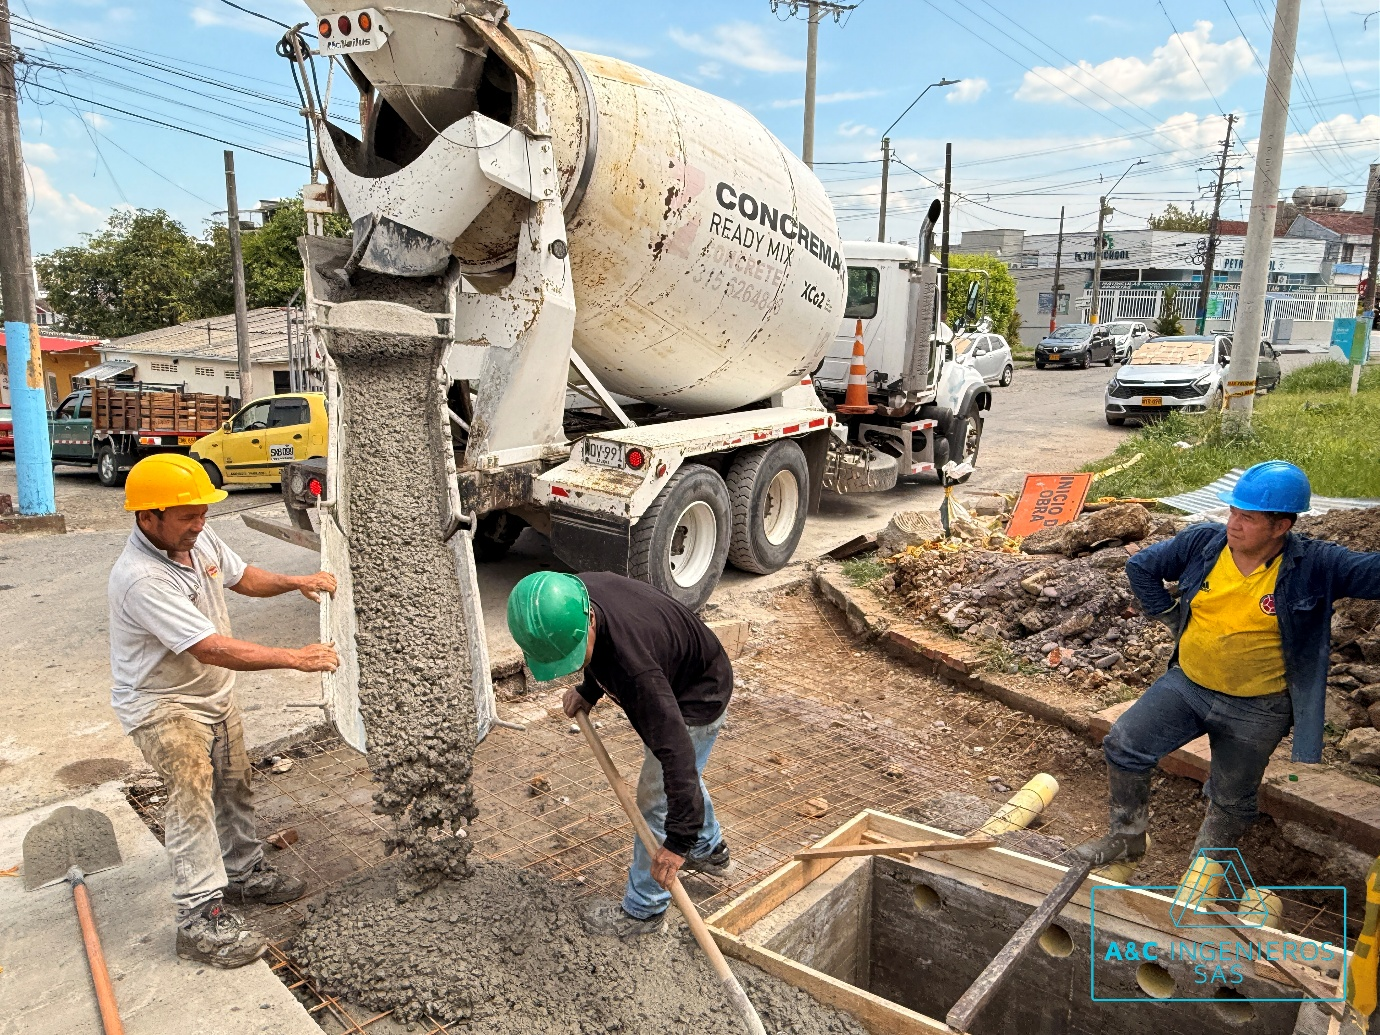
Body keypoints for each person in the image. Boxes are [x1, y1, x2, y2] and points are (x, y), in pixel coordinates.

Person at [1073, 461, 1380, 868]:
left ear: (1281, 526)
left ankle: (1205, 874)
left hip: (1257, 706)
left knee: (1232, 798)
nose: (1234, 523)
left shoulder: (1317, 565)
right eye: (1233, 512)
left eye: (1248, 517)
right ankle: (1126, 838)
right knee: (1125, 745)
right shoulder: (1205, 543)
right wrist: (1167, 616)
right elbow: (1141, 566)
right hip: (1189, 685)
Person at [109, 454, 340, 968]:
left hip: (211, 693)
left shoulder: (195, 537)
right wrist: (293, 658)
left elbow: (241, 577)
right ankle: (197, 918)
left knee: (234, 780)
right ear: (148, 518)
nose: (199, 523)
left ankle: (242, 871)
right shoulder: (142, 578)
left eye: (202, 513)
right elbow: (209, 647)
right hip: (161, 703)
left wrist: (295, 580)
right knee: (191, 784)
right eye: (187, 516)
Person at [507, 570, 733, 936]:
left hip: (696, 695)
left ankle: (644, 911)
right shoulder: (569, 598)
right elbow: (599, 654)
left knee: (658, 795)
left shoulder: (637, 672)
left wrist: (676, 843)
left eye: (577, 656)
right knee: (671, 778)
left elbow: (678, 757)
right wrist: (589, 690)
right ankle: (709, 849)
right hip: (677, 669)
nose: (578, 662)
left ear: (589, 620)